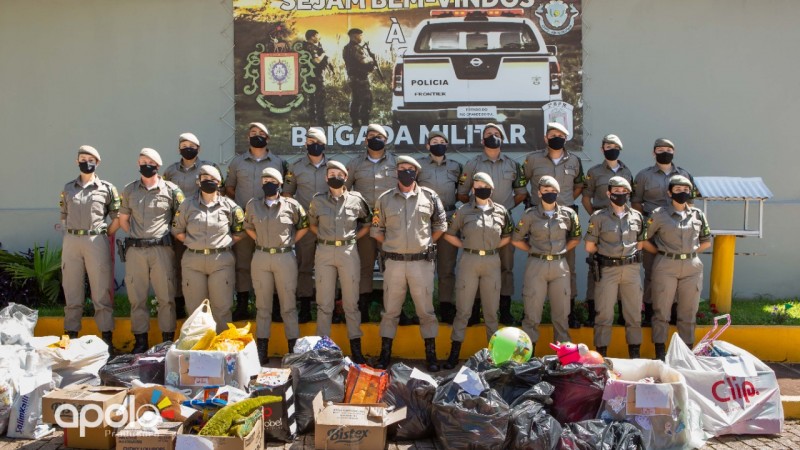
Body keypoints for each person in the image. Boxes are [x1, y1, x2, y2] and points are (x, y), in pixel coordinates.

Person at [371, 156, 447, 371]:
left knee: (426, 311)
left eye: (410, 169)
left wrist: (426, 243)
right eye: (402, 168)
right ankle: (384, 355)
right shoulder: (385, 199)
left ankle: (430, 356)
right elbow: (376, 230)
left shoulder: (430, 197)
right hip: (394, 264)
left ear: (416, 173)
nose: (406, 172)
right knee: (390, 311)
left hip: (421, 263)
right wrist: (392, 246)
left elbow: (441, 224)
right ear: (396, 172)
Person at [457, 123, 527, 325]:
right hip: (476, 223)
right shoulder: (472, 164)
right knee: (475, 267)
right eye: (488, 134)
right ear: (482, 140)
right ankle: (474, 311)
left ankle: (504, 311)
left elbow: (521, 193)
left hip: (501, 225)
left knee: (506, 267)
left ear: (502, 139)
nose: (493, 136)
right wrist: (476, 209)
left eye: (496, 134)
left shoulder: (513, 165)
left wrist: (503, 210)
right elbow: (462, 193)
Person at [442, 172, 513, 369]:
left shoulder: (501, 211)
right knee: (463, 310)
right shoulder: (463, 211)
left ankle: (494, 356)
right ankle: (454, 354)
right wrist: (464, 245)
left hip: (492, 261)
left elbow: (509, 234)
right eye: (478, 185)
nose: (482, 188)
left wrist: (495, 246)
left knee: (491, 312)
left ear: (492, 189)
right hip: (469, 261)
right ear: (473, 189)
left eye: (485, 185)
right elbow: (449, 234)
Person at [119, 148, 184, 353]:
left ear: (157, 165)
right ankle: (140, 342)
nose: (145, 164)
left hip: (161, 250)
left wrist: (164, 236)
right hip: (136, 250)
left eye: (149, 161)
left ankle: (167, 343)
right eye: (141, 161)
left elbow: (180, 219)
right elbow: (123, 220)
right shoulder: (130, 190)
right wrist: (139, 238)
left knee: (166, 297)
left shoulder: (172, 190)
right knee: (137, 298)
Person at [308, 160, 372, 363]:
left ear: (345, 177)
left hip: (348, 251)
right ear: (326, 178)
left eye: (339, 174)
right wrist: (326, 239)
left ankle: (357, 351)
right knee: (324, 304)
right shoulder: (317, 201)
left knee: (351, 304)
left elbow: (367, 222)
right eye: (331, 174)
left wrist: (351, 239)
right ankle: (321, 352)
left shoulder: (356, 199)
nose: (335, 177)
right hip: (325, 252)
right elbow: (312, 224)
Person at [642, 175, 711, 360]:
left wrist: (692, 251)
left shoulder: (698, 215)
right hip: (666, 264)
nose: (682, 193)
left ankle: (686, 354)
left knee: (688, 312)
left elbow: (706, 241)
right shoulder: (658, 214)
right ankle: (660, 354)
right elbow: (643, 238)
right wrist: (660, 252)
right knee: (662, 311)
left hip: (691, 266)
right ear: (669, 192)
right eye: (678, 190)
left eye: (686, 190)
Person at [523, 122, 585, 329]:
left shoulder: (575, 161)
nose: (556, 137)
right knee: (535, 262)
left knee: (569, 266)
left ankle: (569, 310)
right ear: (545, 137)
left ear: (565, 138)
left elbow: (579, 185)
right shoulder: (533, 159)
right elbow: (523, 182)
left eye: (560, 135)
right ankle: (530, 311)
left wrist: (563, 203)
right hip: (538, 218)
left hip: (565, 218)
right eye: (553, 134)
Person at [244, 168, 309, 364]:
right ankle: (261, 352)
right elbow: (248, 227)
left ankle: (293, 352)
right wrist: (262, 242)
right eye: (264, 179)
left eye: (272, 180)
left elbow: (303, 226)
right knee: (263, 307)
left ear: (280, 183)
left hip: (285, 258)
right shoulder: (253, 205)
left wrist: (288, 242)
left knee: (288, 306)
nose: (267, 183)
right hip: (261, 257)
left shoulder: (292, 205)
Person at [511, 176, 581, 353]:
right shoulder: (529, 215)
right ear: (539, 192)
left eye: (552, 191)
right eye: (545, 191)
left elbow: (576, 238)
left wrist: (562, 250)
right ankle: (528, 355)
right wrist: (533, 251)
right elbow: (516, 239)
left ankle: (564, 358)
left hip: (559, 266)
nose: (549, 194)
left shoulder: (569, 214)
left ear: (558, 192)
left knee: (561, 314)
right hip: (537, 265)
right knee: (532, 313)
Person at [59, 145, 120, 349]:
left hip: (96, 241)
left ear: (97, 162)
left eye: (90, 158)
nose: (86, 162)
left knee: (101, 291)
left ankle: (106, 340)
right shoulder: (68, 188)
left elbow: (117, 217)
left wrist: (106, 234)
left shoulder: (107, 188)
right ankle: (72, 337)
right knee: (71, 289)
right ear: (77, 161)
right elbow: (64, 215)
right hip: (72, 241)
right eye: (82, 158)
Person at [632, 138, 696, 327]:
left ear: (674, 152)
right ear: (654, 153)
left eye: (668, 149)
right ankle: (650, 312)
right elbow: (636, 202)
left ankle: (674, 312)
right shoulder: (644, 176)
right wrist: (647, 220)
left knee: (679, 272)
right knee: (652, 271)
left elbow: (690, 203)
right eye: (660, 149)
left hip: (677, 229)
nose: (664, 152)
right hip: (653, 229)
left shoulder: (684, 174)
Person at [226, 122, 287, 321]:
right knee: (242, 264)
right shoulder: (237, 162)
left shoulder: (278, 162)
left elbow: (284, 192)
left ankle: (276, 306)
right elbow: (230, 189)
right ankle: (243, 304)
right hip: (244, 224)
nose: (257, 136)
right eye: (253, 133)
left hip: (271, 221)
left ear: (268, 138)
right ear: (247, 137)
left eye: (261, 133)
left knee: (275, 263)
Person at [172, 165, 244, 332]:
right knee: (195, 309)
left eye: (212, 180)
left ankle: (221, 349)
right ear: (199, 182)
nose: (207, 182)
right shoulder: (187, 205)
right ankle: (198, 348)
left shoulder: (230, 206)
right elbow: (177, 230)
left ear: (218, 182)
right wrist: (193, 242)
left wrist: (223, 243)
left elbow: (240, 232)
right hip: (193, 261)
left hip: (221, 261)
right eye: (204, 179)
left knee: (222, 308)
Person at [584, 176, 645, 358]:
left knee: (634, 314)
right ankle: (601, 357)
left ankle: (635, 356)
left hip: (631, 270)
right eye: (616, 192)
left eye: (623, 192)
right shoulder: (599, 217)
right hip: (607, 270)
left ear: (628, 193)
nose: (620, 195)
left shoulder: (637, 216)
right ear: (608, 193)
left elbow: (640, 243)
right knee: (604, 315)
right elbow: (589, 246)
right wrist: (608, 254)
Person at [162, 132, 221, 319]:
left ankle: (210, 307)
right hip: (179, 227)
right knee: (178, 266)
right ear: (179, 148)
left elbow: (220, 194)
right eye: (184, 145)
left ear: (198, 149)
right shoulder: (170, 172)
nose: (188, 148)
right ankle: (180, 303)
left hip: (202, 227)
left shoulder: (209, 168)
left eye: (192, 145)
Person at [345, 124, 397, 321]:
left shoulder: (396, 163)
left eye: (380, 136)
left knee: (392, 269)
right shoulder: (355, 164)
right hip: (364, 225)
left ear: (386, 140)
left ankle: (393, 312)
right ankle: (363, 311)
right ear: (366, 140)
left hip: (390, 227)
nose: (376, 139)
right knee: (364, 267)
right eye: (371, 136)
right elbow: (345, 193)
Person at [581, 134, 634, 327]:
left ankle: (621, 313)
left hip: (622, 225)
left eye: (615, 146)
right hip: (602, 225)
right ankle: (593, 313)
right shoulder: (594, 172)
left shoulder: (627, 172)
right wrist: (596, 216)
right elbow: (586, 198)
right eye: (608, 145)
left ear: (620, 149)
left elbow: (631, 199)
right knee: (596, 268)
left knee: (623, 267)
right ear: (602, 149)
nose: (611, 148)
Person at [282, 127, 329, 323]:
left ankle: (330, 307)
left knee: (330, 267)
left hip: (329, 226)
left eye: (316, 142)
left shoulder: (334, 166)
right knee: (304, 266)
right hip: (306, 226)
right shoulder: (296, 167)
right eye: (309, 142)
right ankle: (305, 306)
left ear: (324, 144)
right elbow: (287, 194)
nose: (313, 145)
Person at [416, 131, 462, 324]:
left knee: (446, 267)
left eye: (442, 142)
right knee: (422, 267)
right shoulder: (419, 166)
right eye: (434, 142)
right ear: (428, 146)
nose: (438, 144)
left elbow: (463, 192)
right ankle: (424, 309)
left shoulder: (456, 167)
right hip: (424, 221)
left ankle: (446, 307)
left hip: (449, 219)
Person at [342, 28, 375, 128]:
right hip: (360, 78)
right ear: (354, 36)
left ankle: (355, 122)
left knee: (355, 99)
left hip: (352, 77)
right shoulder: (355, 48)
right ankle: (365, 122)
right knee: (367, 99)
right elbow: (363, 61)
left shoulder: (346, 48)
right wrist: (372, 61)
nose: (362, 37)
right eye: (360, 35)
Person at [303, 30, 330, 125]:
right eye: (317, 36)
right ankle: (321, 120)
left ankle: (312, 120)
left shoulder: (306, 46)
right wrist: (323, 54)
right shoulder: (310, 47)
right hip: (315, 75)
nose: (319, 38)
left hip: (309, 75)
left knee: (311, 98)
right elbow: (317, 61)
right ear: (312, 37)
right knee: (320, 97)